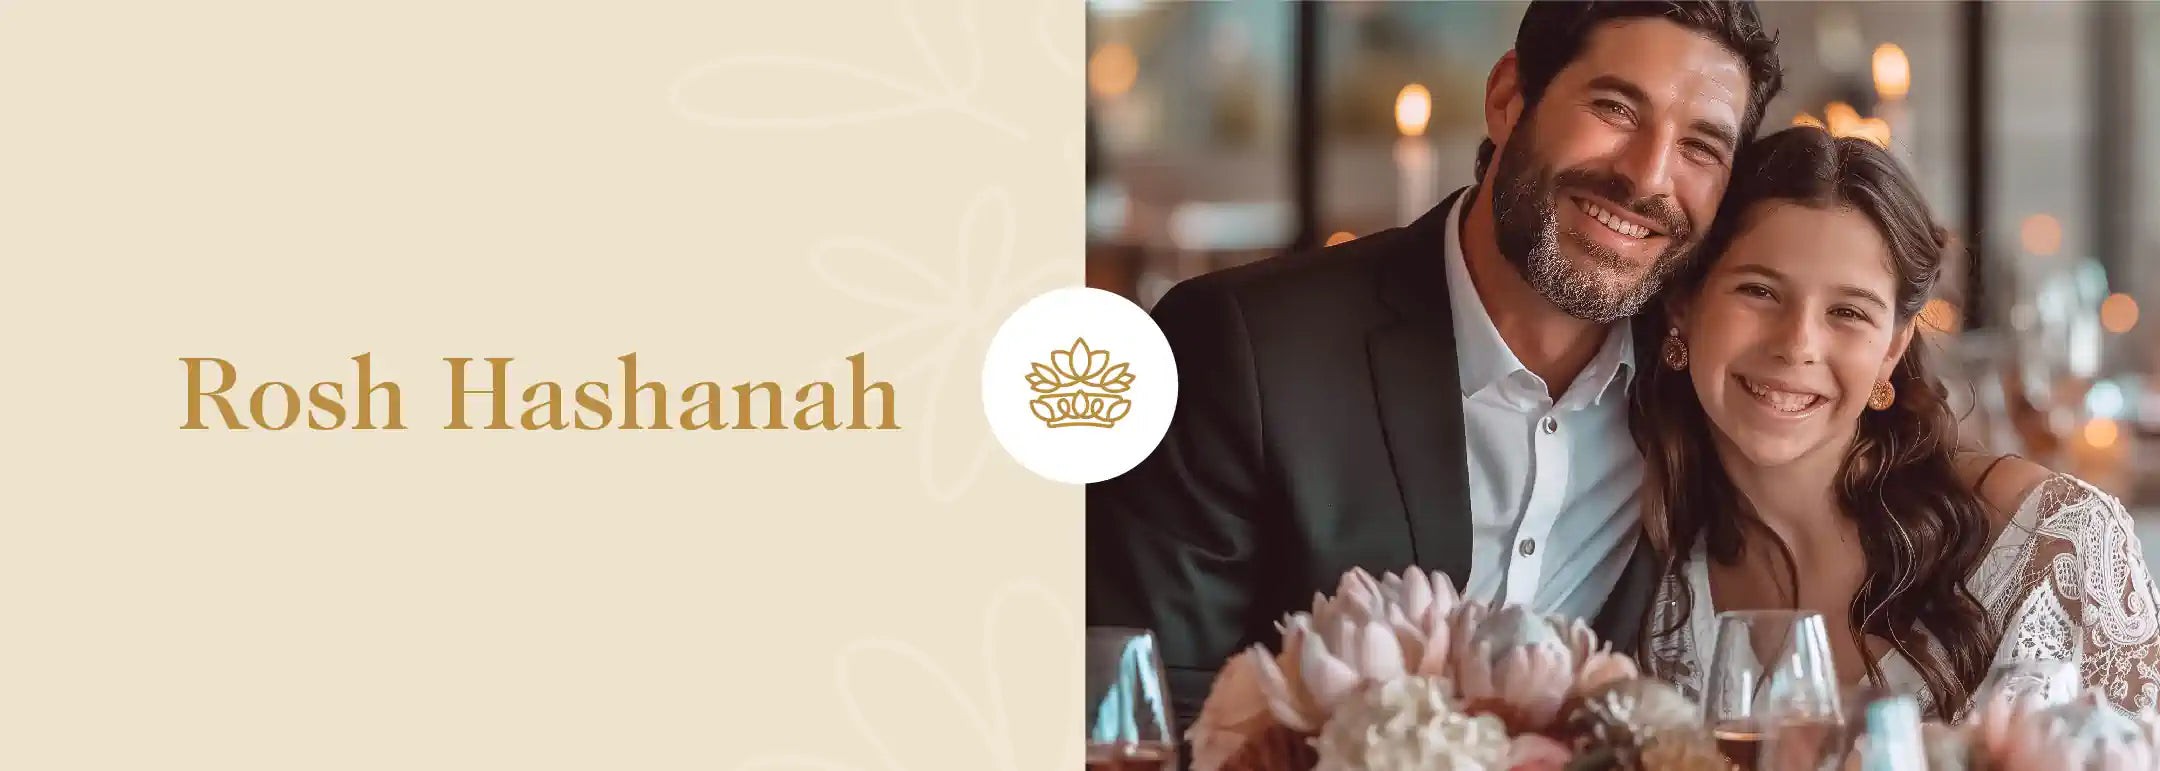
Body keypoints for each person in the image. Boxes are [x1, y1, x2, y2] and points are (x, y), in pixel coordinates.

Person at [1087, 0, 1785, 728]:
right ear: (1509, 99)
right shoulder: (1242, 349)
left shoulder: (1700, 386)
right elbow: (1142, 707)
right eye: (1614, 107)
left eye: (1701, 147)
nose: (1648, 176)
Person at [1633, 125, 2160, 719]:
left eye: (1848, 311)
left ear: (1891, 348)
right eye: (1759, 291)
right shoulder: (1647, 575)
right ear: (1684, 304)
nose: (1797, 345)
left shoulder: (2055, 546)